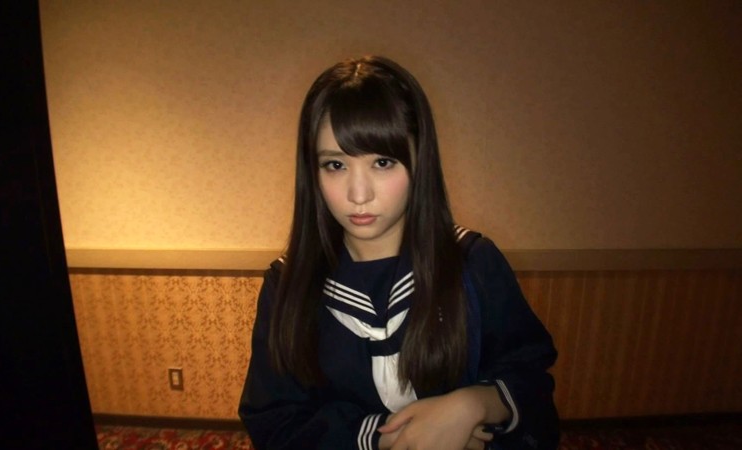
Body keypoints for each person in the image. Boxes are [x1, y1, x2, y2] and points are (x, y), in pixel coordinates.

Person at [238, 55, 559, 450]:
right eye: (335, 165)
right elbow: (273, 420)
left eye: (383, 162)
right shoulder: (288, 284)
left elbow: (530, 380)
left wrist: (473, 404)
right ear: (312, 171)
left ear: (419, 159)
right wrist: (387, 436)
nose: (358, 194)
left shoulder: (471, 263)